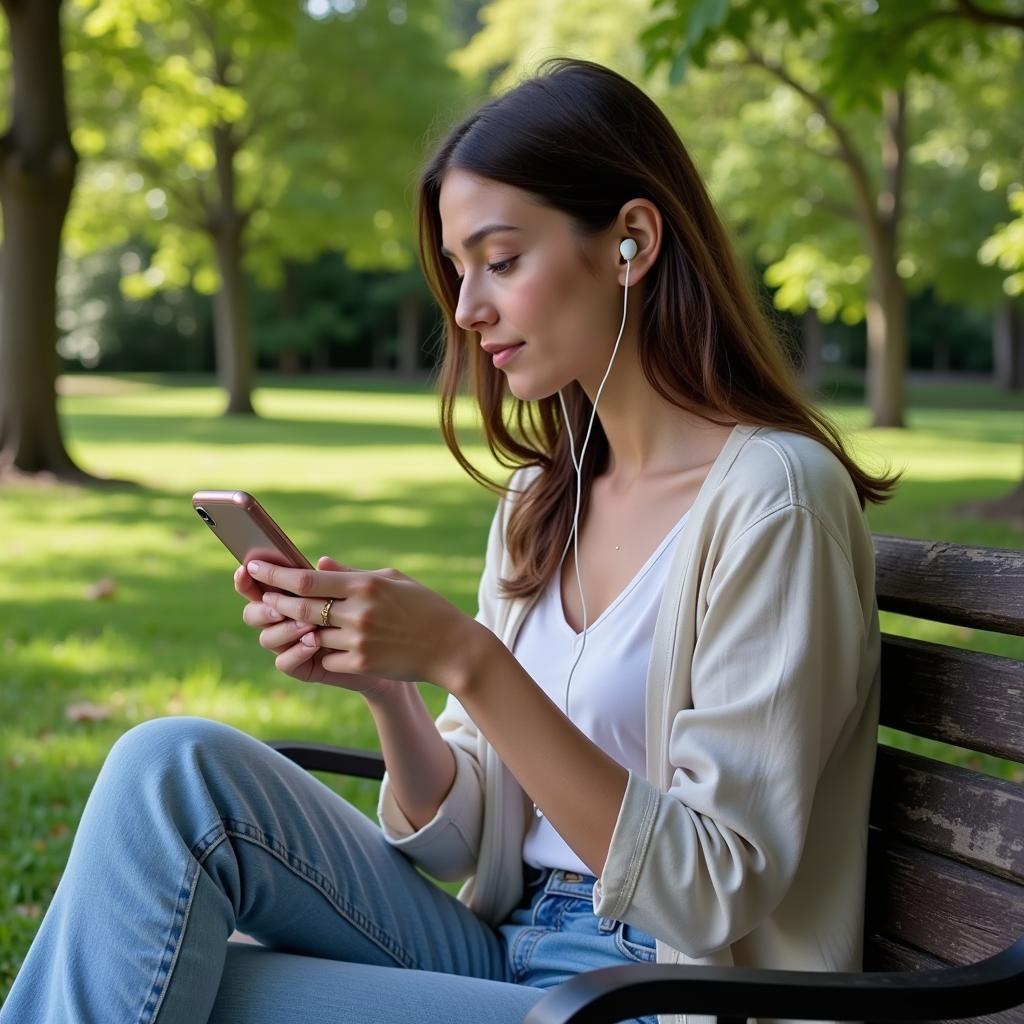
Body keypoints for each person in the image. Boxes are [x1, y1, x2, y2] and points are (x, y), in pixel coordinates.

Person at [1, 57, 899, 1024]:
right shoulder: (540, 501)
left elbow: (715, 887)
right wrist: (393, 693)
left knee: (178, 985)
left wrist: (467, 659)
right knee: (168, 769)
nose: (467, 311)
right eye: (459, 270)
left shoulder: (774, 500)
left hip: (668, 993)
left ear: (633, 241)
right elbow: (469, 839)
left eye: (501, 260)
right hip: (507, 956)